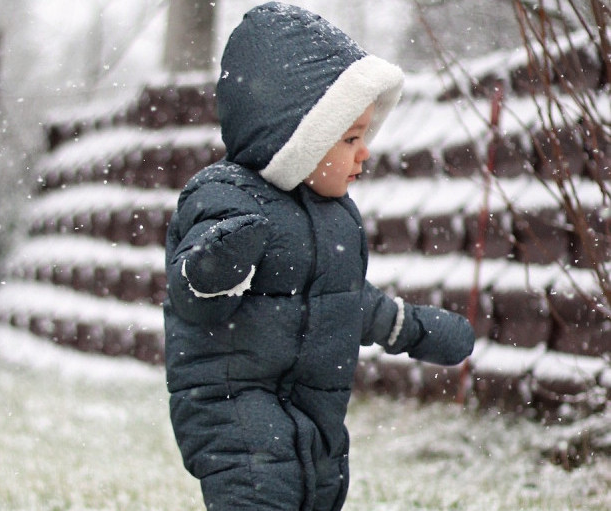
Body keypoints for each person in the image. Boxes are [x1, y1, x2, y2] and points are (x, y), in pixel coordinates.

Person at [162, 3, 475, 510]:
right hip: (233, 408)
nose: (365, 152)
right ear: (296, 141)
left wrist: (410, 327)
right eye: (350, 138)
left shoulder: (335, 218)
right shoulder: (225, 197)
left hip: (316, 410)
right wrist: (218, 264)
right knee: (264, 494)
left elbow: (345, 300)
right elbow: (193, 295)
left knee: (319, 492)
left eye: (365, 136)